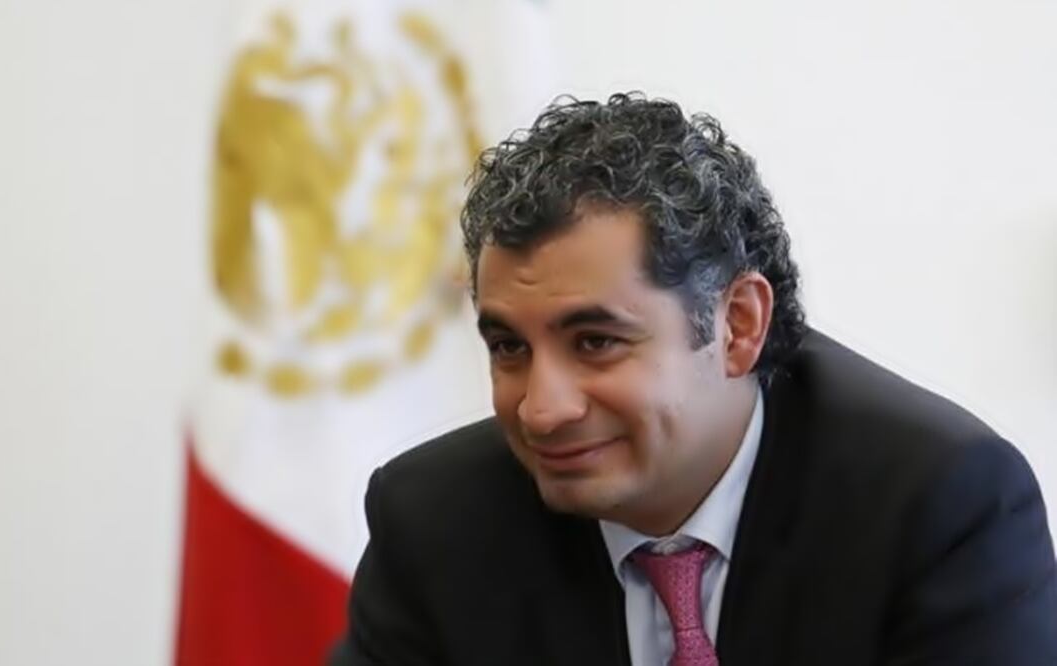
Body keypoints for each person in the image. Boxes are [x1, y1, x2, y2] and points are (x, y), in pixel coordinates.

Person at [331, 93, 1057, 665]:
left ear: (739, 325)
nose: (543, 410)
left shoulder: (938, 507)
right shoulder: (433, 521)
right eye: (508, 348)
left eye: (596, 342)